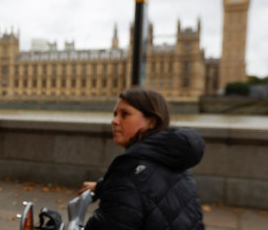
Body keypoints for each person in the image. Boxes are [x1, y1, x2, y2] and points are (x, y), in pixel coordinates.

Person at [78, 87, 205, 230]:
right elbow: (150, 189)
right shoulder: (175, 161)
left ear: (151, 121)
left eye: (124, 114)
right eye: (115, 114)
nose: (114, 121)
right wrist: (104, 186)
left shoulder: (129, 170)